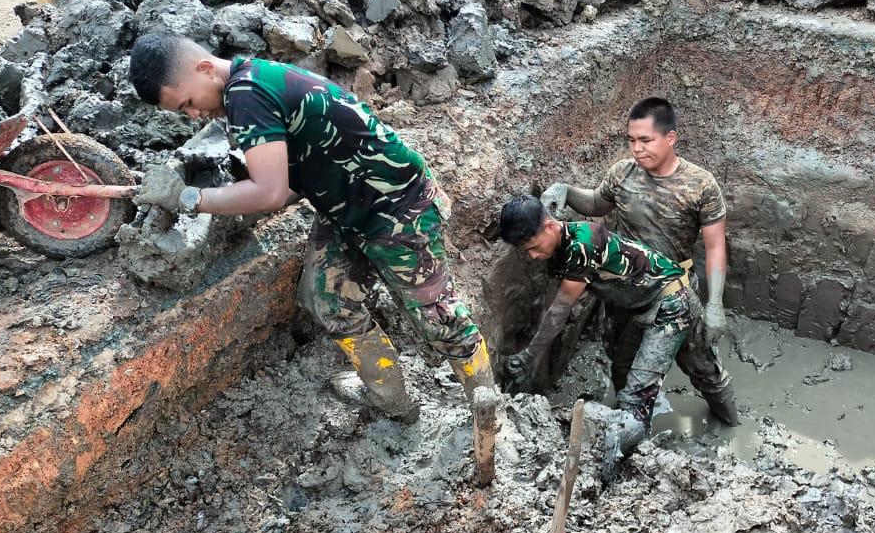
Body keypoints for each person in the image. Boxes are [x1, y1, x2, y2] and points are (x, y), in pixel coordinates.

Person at [125, 32, 497, 483]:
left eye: (185, 103)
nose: (193, 115)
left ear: (204, 69)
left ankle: (486, 403)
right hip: (347, 207)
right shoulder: (248, 86)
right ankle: (393, 400)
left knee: (438, 319)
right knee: (328, 300)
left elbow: (270, 190)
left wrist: (188, 198)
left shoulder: (246, 94)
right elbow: (285, 177)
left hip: (397, 206)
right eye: (182, 113)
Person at [538, 97, 738, 426]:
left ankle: (732, 426)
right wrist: (566, 190)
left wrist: (715, 304)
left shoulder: (700, 186)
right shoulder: (622, 173)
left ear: (670, 138)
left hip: (674, 293)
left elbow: (715, 247)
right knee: (622, 363)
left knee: (701, 365)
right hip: (626, 292)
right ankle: (629, 428)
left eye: (645, 140)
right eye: (631, 140)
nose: (637, 149)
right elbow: (596, 203)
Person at [498, 194, 694, 476]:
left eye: (534, 247)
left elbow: (561, 309)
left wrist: (528, 356)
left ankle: (617, 476)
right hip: (640, 303)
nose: (532, 256)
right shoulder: (561, 246)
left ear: (551, 226)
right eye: (525, 251)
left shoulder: (582, 245)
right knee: (622, 372)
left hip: (671, 301)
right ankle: (632, 437)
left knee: (683, 379)